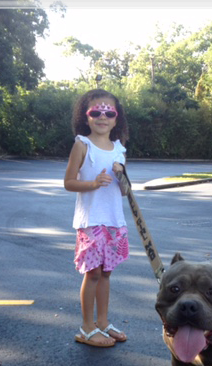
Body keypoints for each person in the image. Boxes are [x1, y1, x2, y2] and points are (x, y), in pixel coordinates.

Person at [64, 89, 130, 348]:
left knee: (106, 274)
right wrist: (92, 183)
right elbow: (69, 182)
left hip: (114, 221)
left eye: (109, 112)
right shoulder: (82, 144)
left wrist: (123, 179)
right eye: (96, 112)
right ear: (86, 116)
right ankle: (86, 327)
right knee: (92, 274)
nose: (103, 117)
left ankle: (102, 322)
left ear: (116, 118)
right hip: (92, 221)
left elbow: (124, 189)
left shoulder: (119, 149)